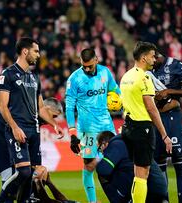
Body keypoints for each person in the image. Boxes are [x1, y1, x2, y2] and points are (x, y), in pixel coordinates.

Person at [0, 37, 63, 203]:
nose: (38, 55)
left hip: (34, 131)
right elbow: (2, 106)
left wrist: (54, 124)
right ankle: (0, 200)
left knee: (33, 173)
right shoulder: (8, 74)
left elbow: (41, 108)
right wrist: (14, 128)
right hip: (18, 129)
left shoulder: (34, 77)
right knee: (24, 172)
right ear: (25, 51)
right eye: (36, 51)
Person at [0, 97, 63, 203]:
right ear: (46, 108)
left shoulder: (32, 110)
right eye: (54, 115)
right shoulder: (32, 113)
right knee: (8, 173)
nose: (53, 119)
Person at [119, 41, 172, 203]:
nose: (154, 59)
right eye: (152, 56)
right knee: (143, 173)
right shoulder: (144, 78)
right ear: (143, 58)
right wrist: (164, 135)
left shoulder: (126, 76)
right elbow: (151, 108)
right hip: (142, 128)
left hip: (128, 126)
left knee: (137, 172)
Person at [65, 48, 120, 203]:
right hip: (87, 131)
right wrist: (72, 134)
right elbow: (69, 107)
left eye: (90, 65)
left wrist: (122, 101)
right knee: (89, 167)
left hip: (107, 127)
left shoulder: (105, 72)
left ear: (96, 59)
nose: (87, 69)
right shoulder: (74, 79)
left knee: (117, 164)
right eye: (84, 66)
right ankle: (93, 202)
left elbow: (115, 89)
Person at [151, 53, 182, 203]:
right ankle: (165, 200)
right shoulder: (146, 71)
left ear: (156, 56)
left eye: (151, 59)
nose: (150, 63)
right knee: (160, 162)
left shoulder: (176, 65)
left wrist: (169, 91)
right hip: (157, 119)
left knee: (178, 160)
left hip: (172, 118)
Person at [96, 131, 168, 203]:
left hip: (148, 189)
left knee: (104, 174)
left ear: (104, 144)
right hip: (159, 186)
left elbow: (103, 170)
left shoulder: (116, 144)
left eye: (100, 149)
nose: (101, 152)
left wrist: (96, 163)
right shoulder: (129, 141)